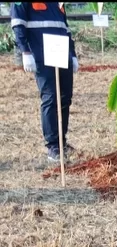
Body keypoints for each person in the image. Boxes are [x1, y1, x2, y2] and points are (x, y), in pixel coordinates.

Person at [11, 2, 79, 162]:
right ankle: (53, 146)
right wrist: (25, 51)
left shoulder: (58, 3)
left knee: (65, 98)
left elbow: (65, 29)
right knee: (50, 98)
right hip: (41, 54)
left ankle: (62, 142)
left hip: (61, 53)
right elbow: (17, 23)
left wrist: (73, 54)